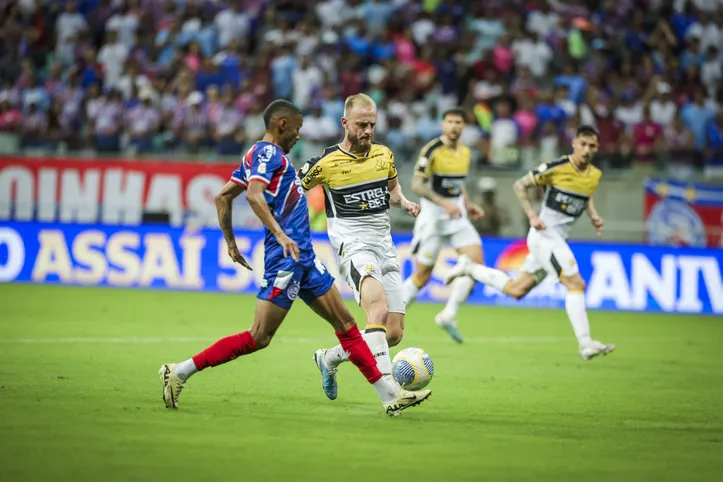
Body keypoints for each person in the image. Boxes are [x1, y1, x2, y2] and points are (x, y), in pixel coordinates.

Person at [158, 99, 429, 417]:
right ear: (281, 125)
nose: (299, 136)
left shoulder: (262, 157)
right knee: (259, 336)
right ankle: (179, 372)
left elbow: (222, 196)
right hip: (285, 258)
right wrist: (281, 234)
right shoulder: (266, 153)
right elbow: (253, 195)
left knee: (346, 324)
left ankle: (389, 396)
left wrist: (231, 244)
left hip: (305, 257)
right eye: (297, 129)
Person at [299, 93, 429, 403]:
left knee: (393, 332)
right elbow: (294, 189)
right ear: (345, 123)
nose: (367, 131)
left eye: (371, 125)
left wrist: (405, 201)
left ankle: (329, 358)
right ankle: (390, 393)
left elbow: (393, 188)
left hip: (385, 245)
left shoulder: (384, 154)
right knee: (377, 310)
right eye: (361, 125)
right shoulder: (324, 163)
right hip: (353, 245)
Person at [446, 125, 616, 360]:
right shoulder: (556, 167)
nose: (587, 150)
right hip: (544, 236)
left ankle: (469, 268)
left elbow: (586, 196)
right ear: (574, 144)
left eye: (592, 146)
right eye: (583, 144)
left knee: (517, 290)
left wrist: (593, 215)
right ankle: (586, 344)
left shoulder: (594, 175)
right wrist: (532, 215)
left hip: (557, 239)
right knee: (575, 284)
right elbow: (520, 185)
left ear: (597, 148)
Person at [401, 108, 485, 343]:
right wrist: (444, 203)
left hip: (457, 217)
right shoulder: (431, 150)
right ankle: (392, 316)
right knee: (421, 276)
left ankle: (448, 315)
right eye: (450, 122)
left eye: (458, 122)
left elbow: (458, 185)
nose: (454, 126)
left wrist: (467, 204)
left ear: (464, 126)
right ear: (443, 125)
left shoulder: (465, 153)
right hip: (433, 220)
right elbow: (417, 185)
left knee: (476, 264)